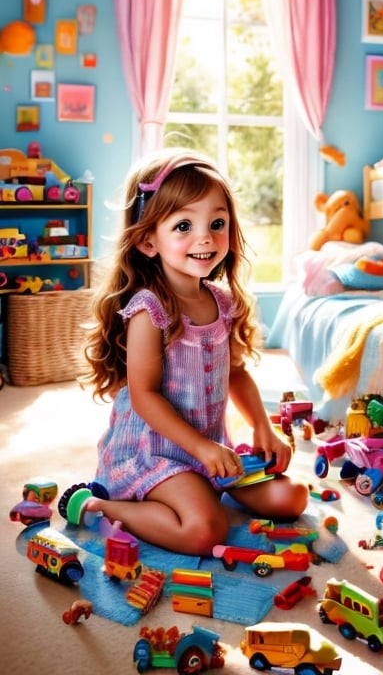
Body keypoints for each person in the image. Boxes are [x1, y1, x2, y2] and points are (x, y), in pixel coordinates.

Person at [61, 148, 308, 556]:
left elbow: (236, 372)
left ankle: (200, 487)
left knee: (291, 498)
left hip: (209, 448)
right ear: (147, 241)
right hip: (155, 452)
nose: (205, 237)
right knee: (204, 530)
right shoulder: (148, 309)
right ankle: (100, 504)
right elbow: (144, 396)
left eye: (216, 223)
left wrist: (263, 428)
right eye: (183, 226)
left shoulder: (222, 301)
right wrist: (201, 450)